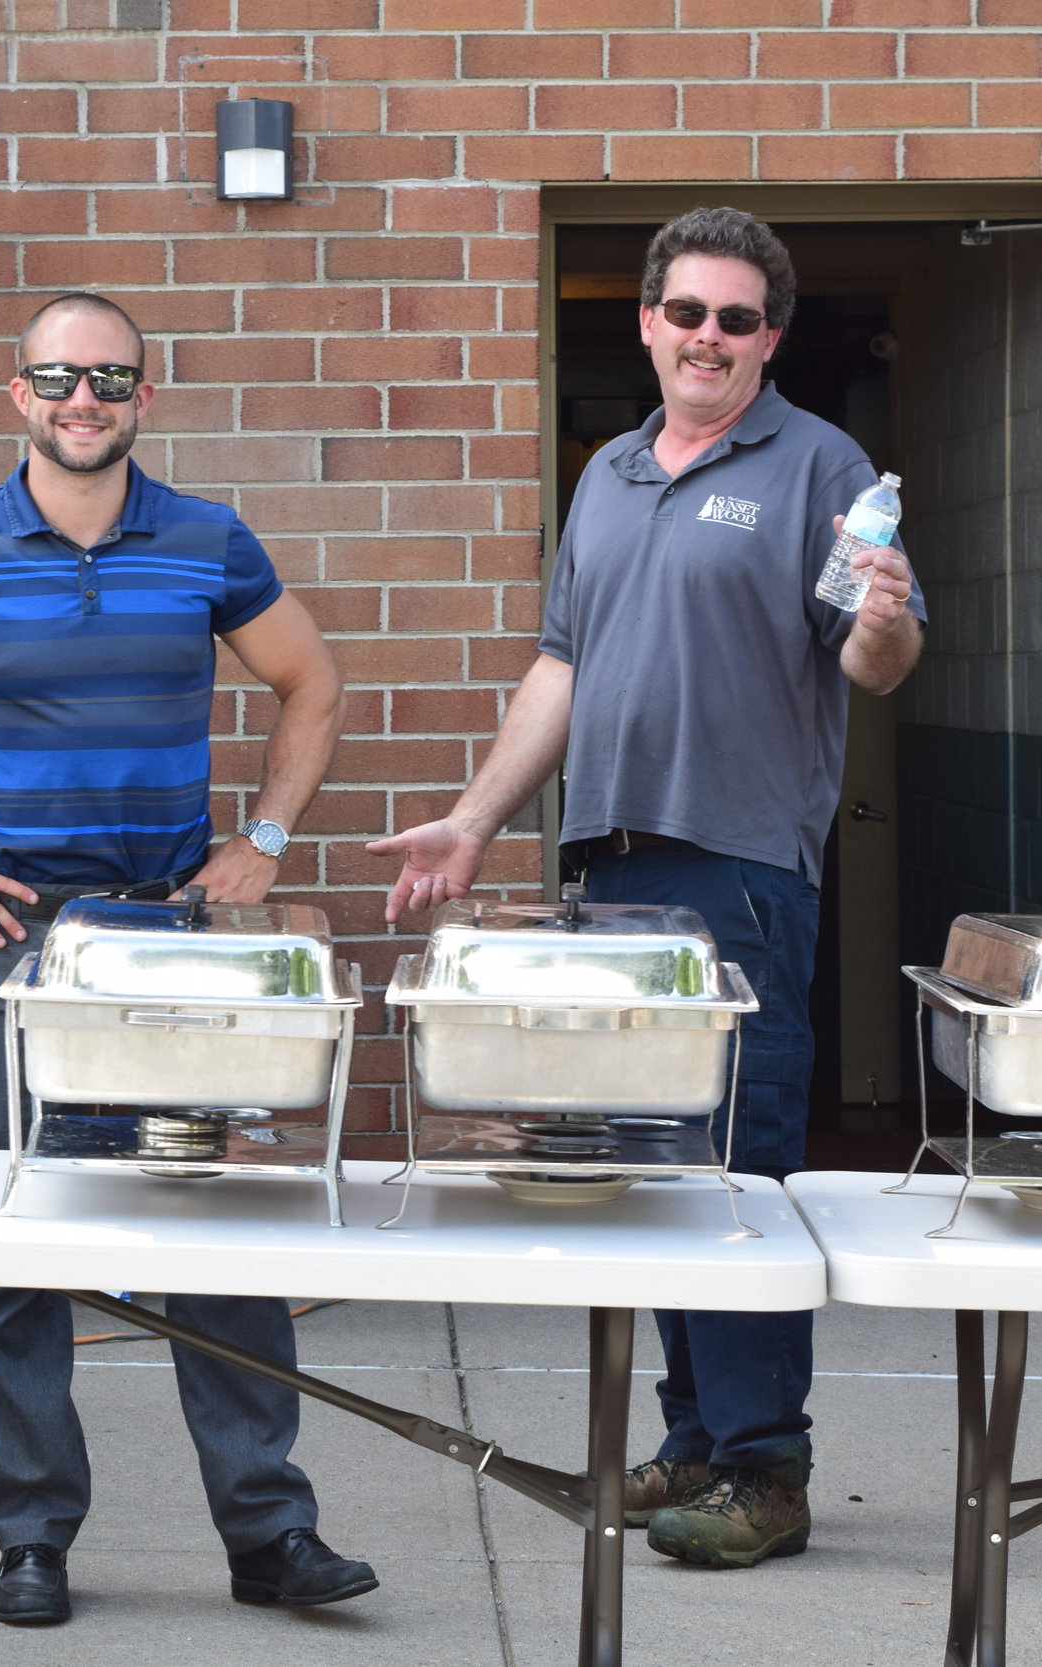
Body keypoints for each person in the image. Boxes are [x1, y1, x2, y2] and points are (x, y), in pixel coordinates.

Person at [0, 291, 373, 1626]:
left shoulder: (209, 541)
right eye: (60, 379)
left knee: (216, 1241)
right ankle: (34, 1538)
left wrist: (266, 843)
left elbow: (313, 684)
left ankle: (271, 1536)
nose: (84, 401)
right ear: (21, 396)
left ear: (143, 398)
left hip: (172, 940)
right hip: (22, 941)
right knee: (20, 1247)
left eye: (110, 379)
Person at [372, 208, 925, 1570]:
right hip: (609, 873)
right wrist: (473, 821)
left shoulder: (818, 463)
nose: (709, 340)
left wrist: (888, 615)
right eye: (688, 313)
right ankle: (691, 1442)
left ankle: (764, 1468)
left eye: (738, 321)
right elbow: (562, 666)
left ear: (769, 340)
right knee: (656, 1171)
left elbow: (873, 669)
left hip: (736, 871)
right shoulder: (611, 474)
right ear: (649, 323)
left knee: (735, 1168)